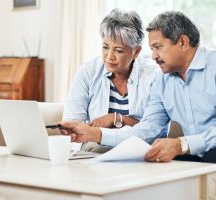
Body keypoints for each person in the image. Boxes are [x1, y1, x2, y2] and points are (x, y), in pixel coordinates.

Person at [60, 11, 216, 200]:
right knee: (156, 166)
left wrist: (179, 145)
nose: (152, 56)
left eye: (157, 47)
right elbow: (146, 131)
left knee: (215, 163)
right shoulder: (162, 80)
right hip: (203, 150)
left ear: (182, 42)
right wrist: (93, 133)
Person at [62, 9, 161, 153]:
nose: (109, 56)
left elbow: (155, 129)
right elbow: (73, 123)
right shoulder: (87, 72)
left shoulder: (154, 76)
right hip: (95, 148)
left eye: (118, 50)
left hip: (138, 148)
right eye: (105, 47)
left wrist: (115, 118)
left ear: (136, 52)